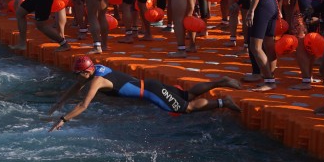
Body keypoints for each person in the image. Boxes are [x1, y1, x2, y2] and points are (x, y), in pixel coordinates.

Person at [48, 55, 240, 131]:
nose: (77, 77)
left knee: (185, 108)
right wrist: (60, 102)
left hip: (151, 92)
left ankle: (224, 102)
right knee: (187, 95)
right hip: (149, 85)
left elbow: (84, 105)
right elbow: (77, 86)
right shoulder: (97, 68)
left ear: (86, 71)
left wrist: (63, 119)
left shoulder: (97, 81)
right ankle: (220, 82)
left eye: (78, 74)